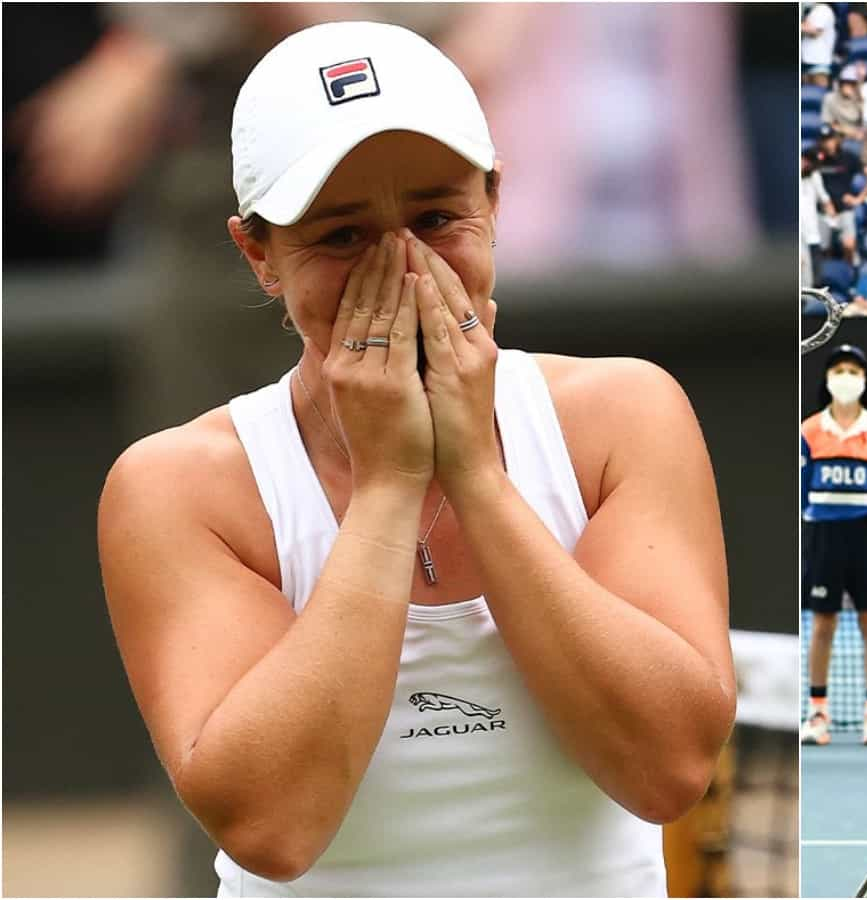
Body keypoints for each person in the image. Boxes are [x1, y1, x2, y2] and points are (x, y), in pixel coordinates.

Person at [99, 22, 734, 896]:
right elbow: (272, 828)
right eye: (342, 237)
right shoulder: (178, 484)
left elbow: (668, 770)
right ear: (260, 256)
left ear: (494, 204)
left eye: (436, 218)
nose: (403, 271)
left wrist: (475, 471)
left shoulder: (624, 412)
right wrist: (392, 484)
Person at [802, 344, 867, 748]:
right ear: (827, 379)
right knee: (822, 623)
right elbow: (802, 486)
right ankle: (817, 713)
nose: (846, 377)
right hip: (825, 537)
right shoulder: (809, 431)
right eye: (839, 370)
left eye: (853, 370)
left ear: (864, 381)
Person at [813, 124, 867, 266]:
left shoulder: (848, 157)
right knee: (823, 249)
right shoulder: (815, 158)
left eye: (829, 139)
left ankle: (850, 274)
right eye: (823, 140)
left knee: (849, 245)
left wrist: (859, 198)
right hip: (822, 211)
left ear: (836, 140)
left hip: (843, 209)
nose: (827, 144)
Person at [802, 150, 835, 289]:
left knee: (815, 277)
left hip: (812, 231)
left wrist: (832, 217)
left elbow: (825, 199)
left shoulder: (814, 176)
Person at [821, 66, 865, 142]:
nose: (848, 86)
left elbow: (865, 121)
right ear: (840, 83)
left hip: (858, 135)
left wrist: (857, 99)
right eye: (845, 82)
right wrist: (846, 131)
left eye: (851, 83)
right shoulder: (830, 98)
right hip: (838, 134)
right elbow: (828, 123)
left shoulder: (860, 98)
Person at [801, 1, 837, 73]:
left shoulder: (823, 9)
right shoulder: (813, 10)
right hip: (807, 59)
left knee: (818, 84)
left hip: (819, 60)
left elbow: (815, 32)